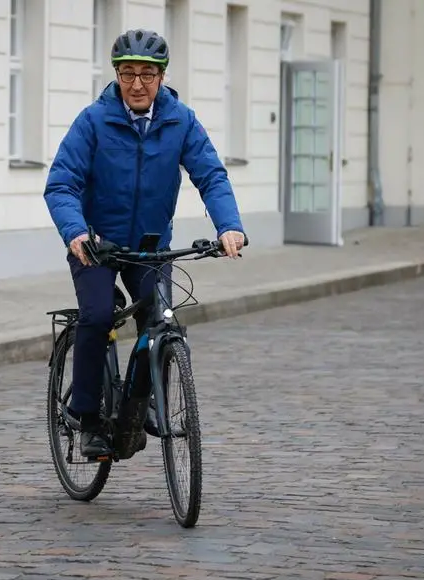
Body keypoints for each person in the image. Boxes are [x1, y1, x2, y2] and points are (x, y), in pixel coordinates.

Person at [43, 28, 246, 458]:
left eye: (147, 75)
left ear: (162, 76)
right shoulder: (93, 121)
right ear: (116, 75)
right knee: (98, 316)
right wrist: (76, 232)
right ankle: (87, 418)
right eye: (128, 74)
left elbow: (210, 175)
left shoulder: (181, 120)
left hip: (151, 246)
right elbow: (61, 183)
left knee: (161, 319)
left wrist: (229, 226)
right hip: (96, 245)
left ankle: (146, 400)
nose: (137, 84)